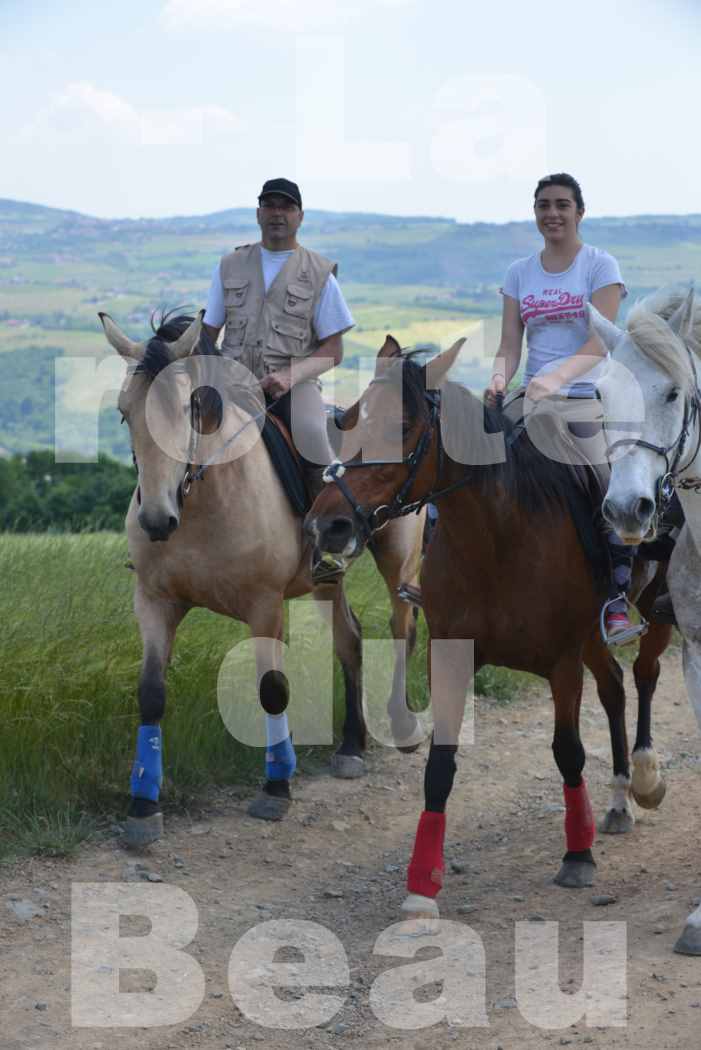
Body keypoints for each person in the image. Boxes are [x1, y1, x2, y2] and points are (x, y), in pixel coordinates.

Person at [486, 172, 642, 646]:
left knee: (603, 481)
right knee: (466, 459)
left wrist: (556, 379)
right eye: (543, 205)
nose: (551, 213)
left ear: (579, 212)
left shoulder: (600, 266)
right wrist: (499, 378)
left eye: (561, 205)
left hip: (588, 396)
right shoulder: (519, 272)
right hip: (532, 395)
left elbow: (601, 341)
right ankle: (440, 567)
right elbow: (511, 342)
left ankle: (616, 599)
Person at [203, 177, 355, 581]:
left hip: (295, 385)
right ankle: (164, 541)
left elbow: (333, 351)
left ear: (300, 217)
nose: (277, 213)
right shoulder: (229, 266)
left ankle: (327, 547)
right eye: (269, 205)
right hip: (233, 382)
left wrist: (290, 376)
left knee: (311, 437)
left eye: (285, 207)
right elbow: (208, 333)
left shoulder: (320, 273)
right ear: (257, 214)